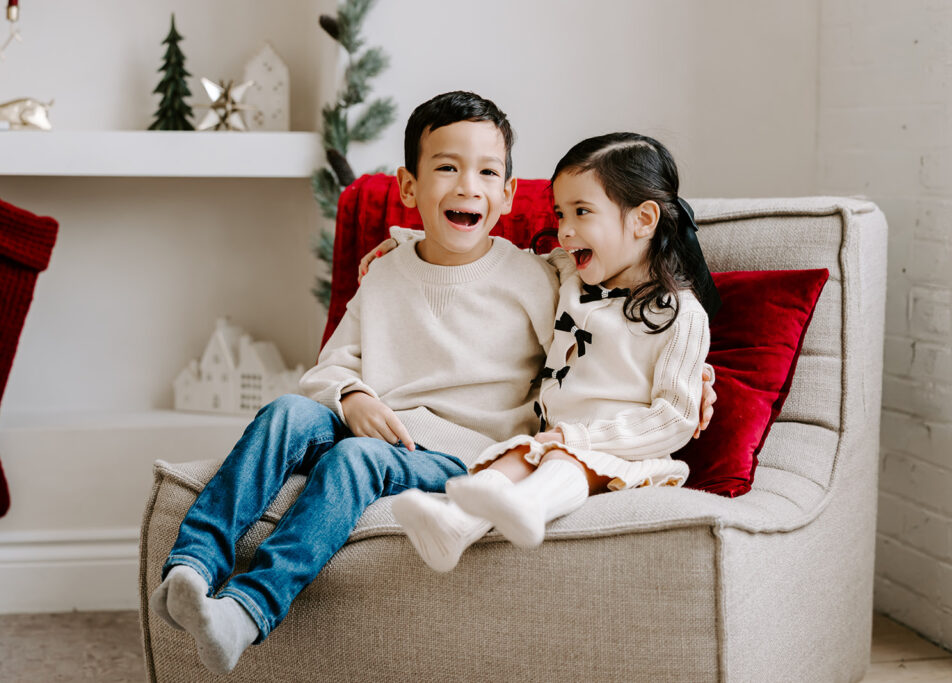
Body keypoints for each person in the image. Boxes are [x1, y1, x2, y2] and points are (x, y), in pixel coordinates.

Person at [147, 90, 560, 674]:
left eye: (487, 172)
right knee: (287, 411)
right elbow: (331, 364)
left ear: (508, 195)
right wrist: (352, 393)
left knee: (355, 460)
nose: (469, 186)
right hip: (373, 424)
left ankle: (247, 609)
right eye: (447, 167)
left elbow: (598, 327)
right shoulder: (388, 270)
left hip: (459, 455)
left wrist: (685, 364)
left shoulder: (531, 276)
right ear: (410, 187)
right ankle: (193, 564)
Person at [392, 132, 717, 570]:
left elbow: (673, 418)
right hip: (549, 439)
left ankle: (531, 506)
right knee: (512, 456)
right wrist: (405, 249)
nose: (565, 231)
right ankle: (453, 525)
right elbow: (490, 259)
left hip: (621, 454)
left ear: (643, 220)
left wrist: (579, 439)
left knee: (561, 459)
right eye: (560, 213)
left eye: (582, 213)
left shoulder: (680, 315)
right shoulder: (567, 276)